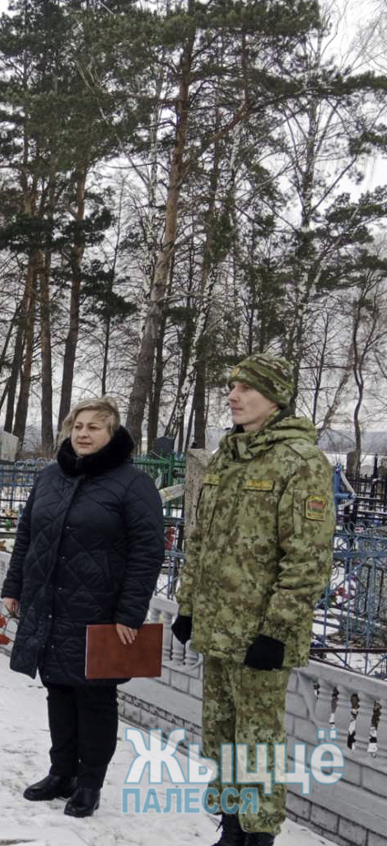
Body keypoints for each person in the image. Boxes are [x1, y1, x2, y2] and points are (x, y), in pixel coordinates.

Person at [171, 353, 334, 846]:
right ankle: (234, 824)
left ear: (276, 398)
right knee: (220, 733)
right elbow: (201, 539)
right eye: (232, 387)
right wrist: (188, 604)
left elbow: (308, 558)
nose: (234, 396)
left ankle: (259, 833)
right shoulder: (228, 455)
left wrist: (277, 630)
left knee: (257, 740)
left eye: (247, 389)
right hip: (218, 626)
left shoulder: (301, 462)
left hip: (261, 632)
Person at [1, 398, 164, 818]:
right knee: (58, 688)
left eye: (94, 427)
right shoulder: (51, 477)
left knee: (94, 696)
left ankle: (89, 783)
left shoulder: (132, 484)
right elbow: (27, 535)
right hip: (50, 603)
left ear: (112, 435)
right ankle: (61, 773)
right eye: (78, 426)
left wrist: (130, 612)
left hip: (100, 608)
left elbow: (147, 552)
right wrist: (14, 585)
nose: (84, 434)